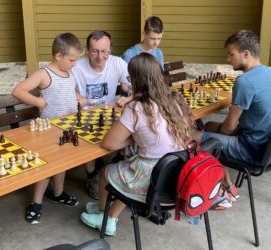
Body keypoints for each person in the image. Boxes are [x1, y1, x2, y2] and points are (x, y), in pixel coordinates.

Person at [80, 53, 197, 235]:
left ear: (136, 79)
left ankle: (106, 219)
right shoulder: (175, 99)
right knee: (128, 170)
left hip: (152, 177)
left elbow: (110, 143)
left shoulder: (138, 107)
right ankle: (107, 211)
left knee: (106, 171)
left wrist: (135, 136)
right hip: (177, 172)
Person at [202, 30, 271, 210]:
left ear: (246, 54)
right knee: (209, 126)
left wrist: (212, 133)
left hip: (253, 151)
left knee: (193, 138)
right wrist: (214, 128)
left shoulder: (245, 82)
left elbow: (228, 129)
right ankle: (228, 185)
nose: (228, 59)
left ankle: (221, 194)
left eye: (231, 54)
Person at [12, 32, 86, 224]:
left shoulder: (69, 72)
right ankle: (36, 203)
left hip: (68, 126)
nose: (75, 64)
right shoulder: (43, 74)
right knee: (46, 168)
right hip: (50, 129)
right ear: (58, 56)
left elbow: (68, 91)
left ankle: (58, 192)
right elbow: (18, 91)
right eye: (72, 60)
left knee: (63, 164)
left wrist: (80, 98)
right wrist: (38, 101)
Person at [72, 30, 131, 199]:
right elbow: (63, 90)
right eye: (95, 51)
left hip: (109, 113)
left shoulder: (118, 63)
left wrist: (129, 98)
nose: (100, 56)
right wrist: (75, 97)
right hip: (83, 115)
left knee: (133, 124)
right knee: (82, 137)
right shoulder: (77, 66)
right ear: (87, 50)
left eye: (104, 51)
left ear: (110, 49)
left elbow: (137, 87)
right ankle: (92, 176)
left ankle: (118, 165)